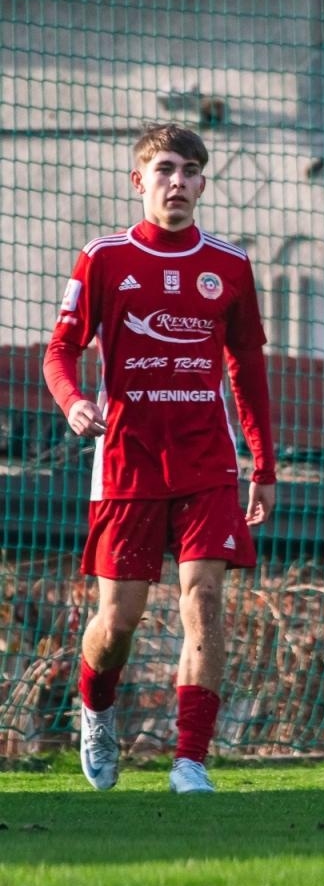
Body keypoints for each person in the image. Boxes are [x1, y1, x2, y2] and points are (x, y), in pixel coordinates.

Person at [43, 122, 278, 795]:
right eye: (165, 169)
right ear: (139, 180)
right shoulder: (103, 258)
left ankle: (190, 760)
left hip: (207, 461)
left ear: (204, 183)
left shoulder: (230, 265)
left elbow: (248, 368)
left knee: (204, 597)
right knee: (118, 621)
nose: (178, 182)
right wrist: (72, 402)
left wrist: (263, 464)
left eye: (190, 171)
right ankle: (97, 707)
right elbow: (58, 353)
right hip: (126, 461)